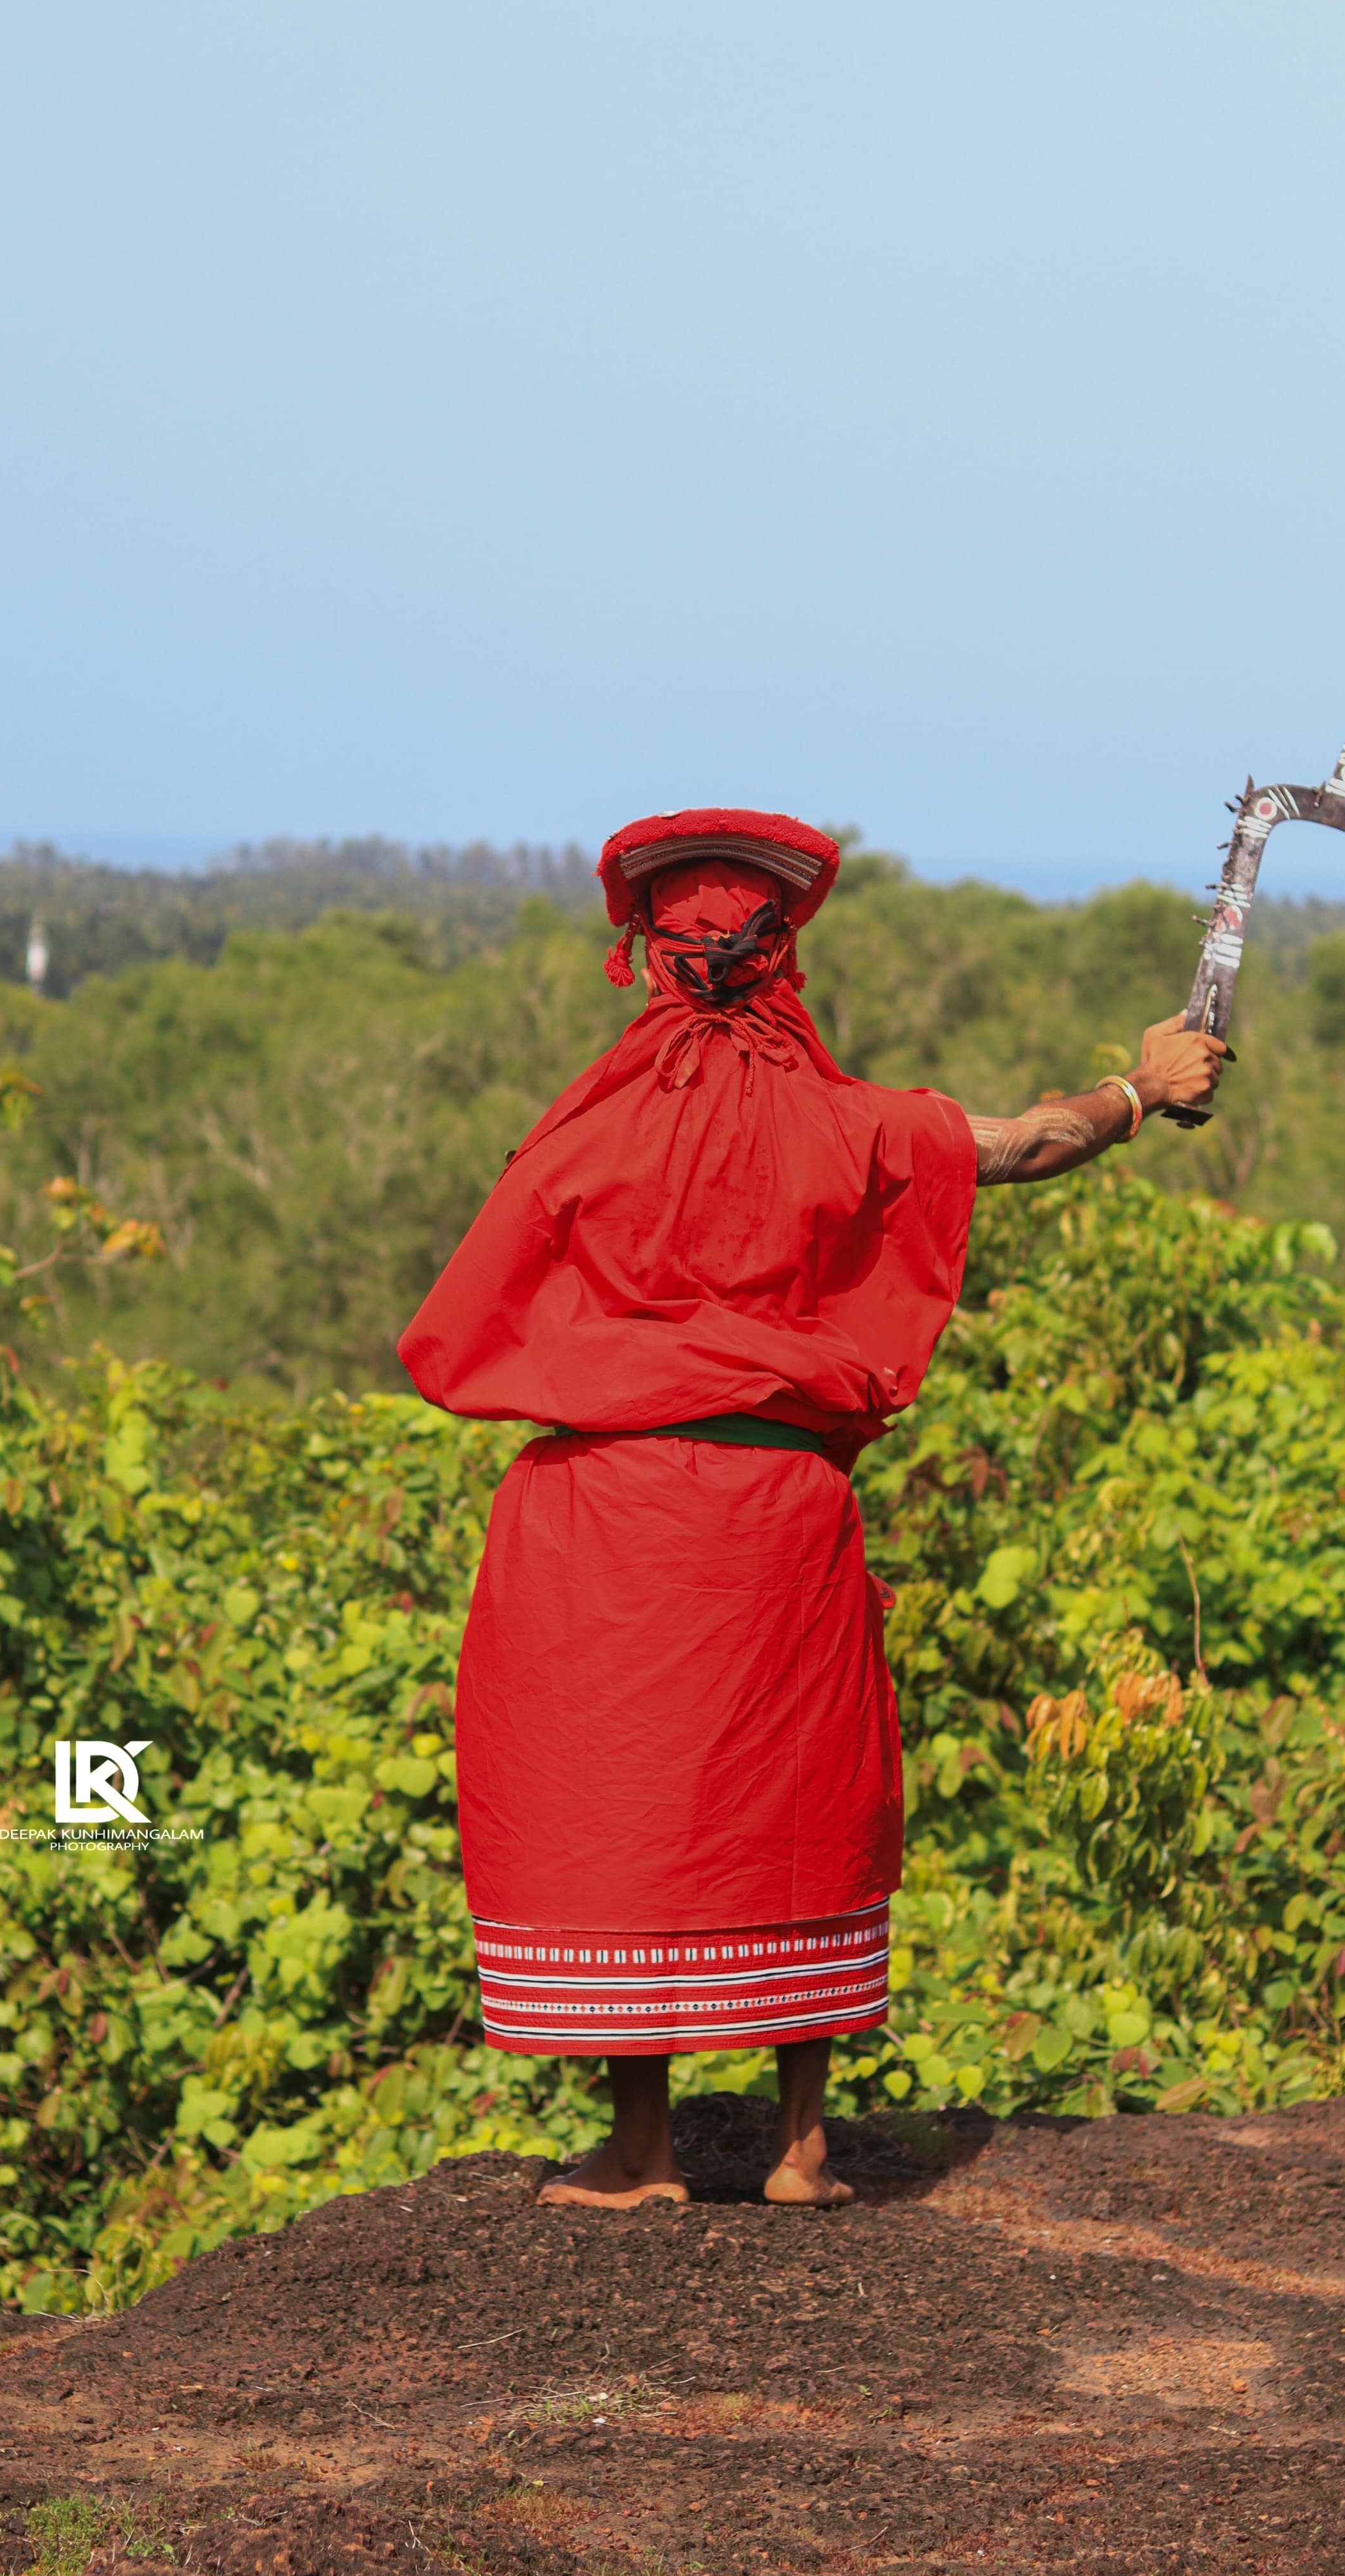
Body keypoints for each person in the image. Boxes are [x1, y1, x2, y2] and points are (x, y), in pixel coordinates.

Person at [398, 809, 1222, 2209]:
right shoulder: (854, 1123)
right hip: (778, 1509)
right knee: (797, 1794)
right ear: (781, 959)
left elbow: (458, 1328)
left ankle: (642, 2150)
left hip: (608, 1519)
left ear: (650, 958)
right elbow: (1026, 1144)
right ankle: (798, 2146)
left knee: (621, 1804)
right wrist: (1140, 1087)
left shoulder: (579, 1139)